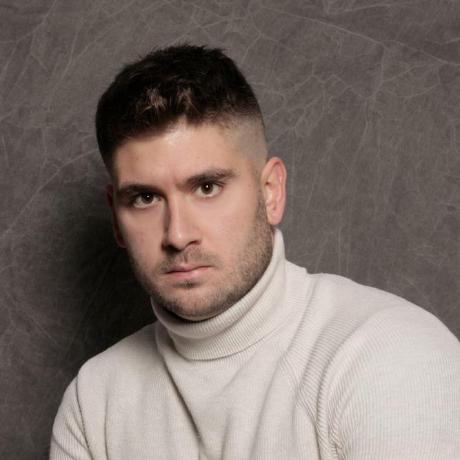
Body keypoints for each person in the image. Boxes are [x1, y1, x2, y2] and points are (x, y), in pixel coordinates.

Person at [50, 44, 460, 460]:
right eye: (145, 198)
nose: (178, 235)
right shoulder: (94, 403)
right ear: (116, 217)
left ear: (271, 192)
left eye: (207, 187)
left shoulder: (390, 353)